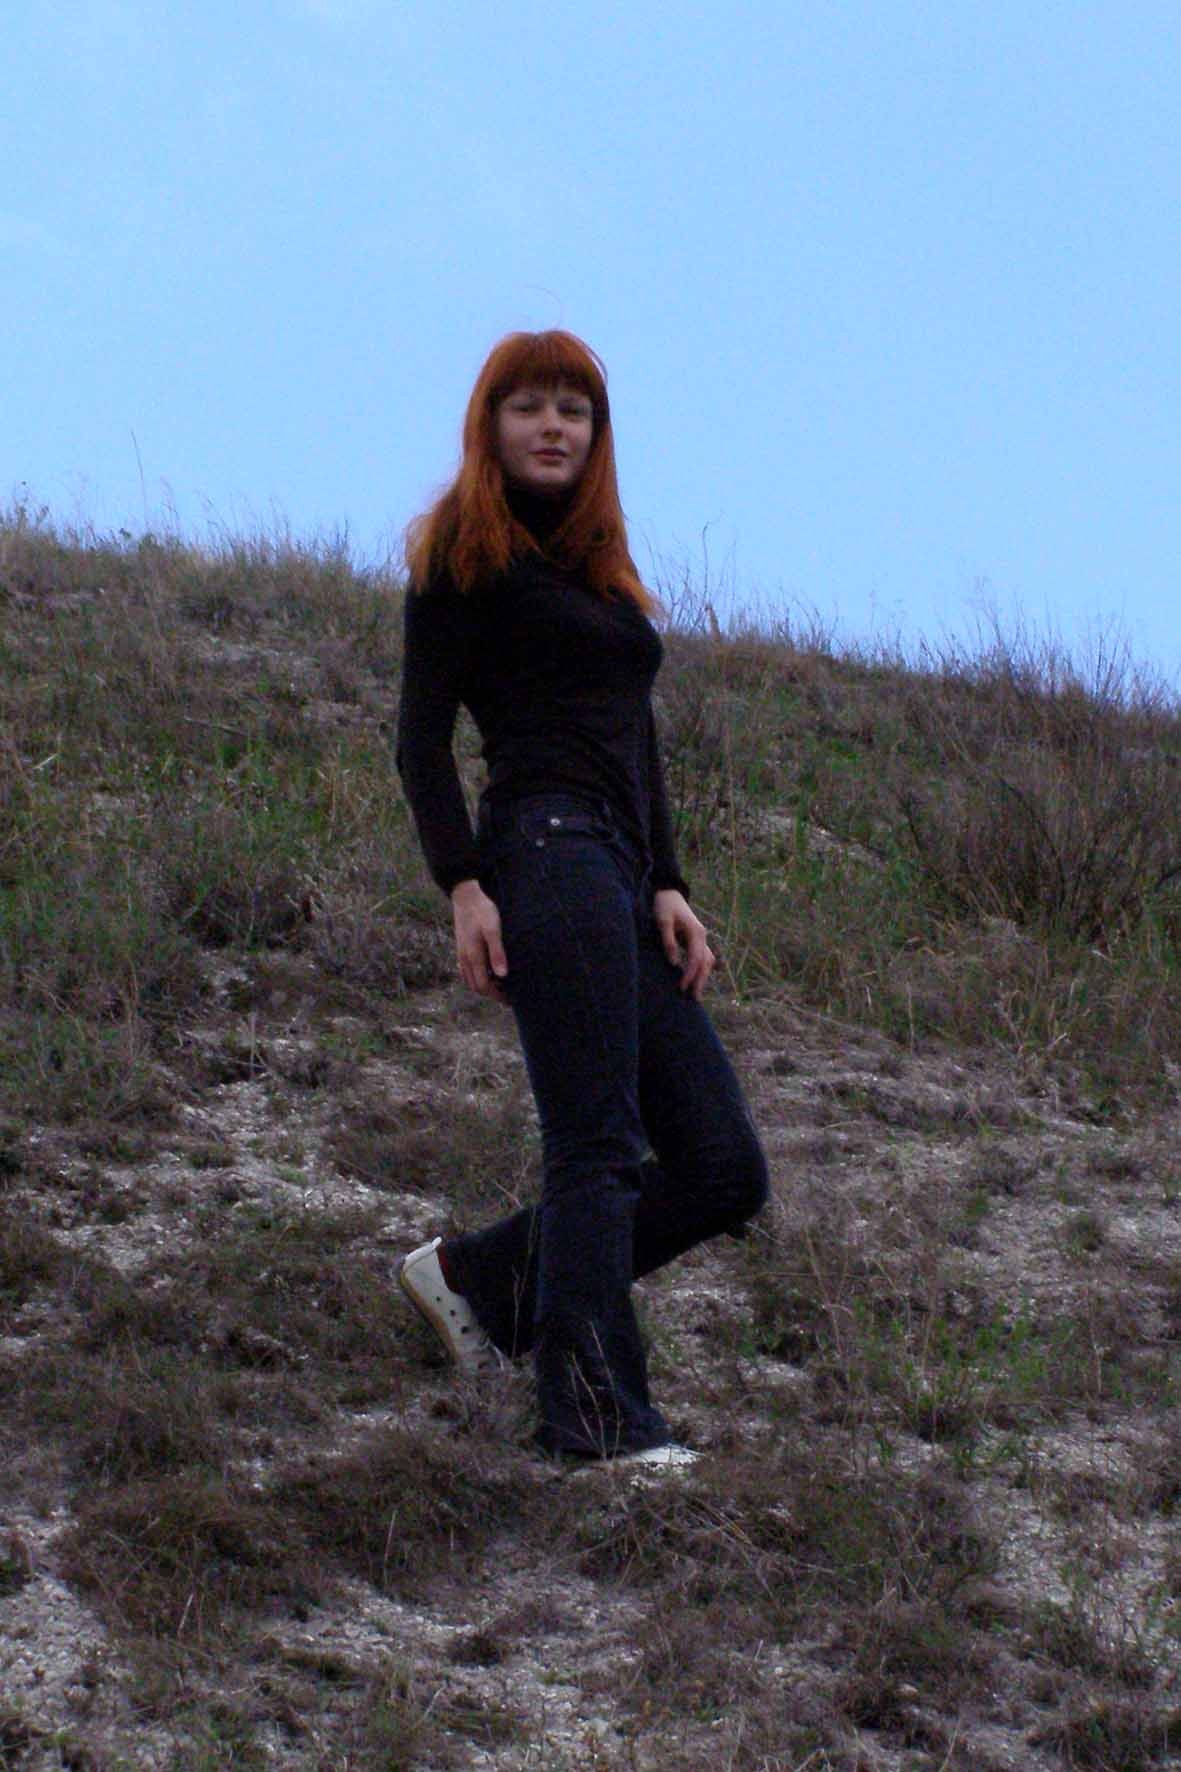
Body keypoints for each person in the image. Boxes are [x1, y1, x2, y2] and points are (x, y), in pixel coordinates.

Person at [395, 330, 768, 1468]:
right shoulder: (464, 555)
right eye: (529, 406)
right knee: (596, 1144)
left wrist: (669, 882)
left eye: (574, 409)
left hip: (618, 871)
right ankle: (594, 1421)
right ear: (491, 424)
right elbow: (420, 742)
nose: (553, 426)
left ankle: (480, 1281)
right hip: (543, 854)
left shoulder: (598, 576)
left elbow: (634, 743)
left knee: (721, 1165)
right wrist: (464, 885)